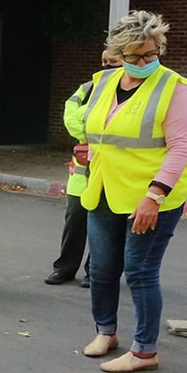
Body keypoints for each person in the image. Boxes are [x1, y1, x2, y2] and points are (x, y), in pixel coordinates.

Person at [80, 10, 187, 372]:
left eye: (151, 54)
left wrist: (155, 196)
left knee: (139, 272)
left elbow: (181, 148)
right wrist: (86, 150)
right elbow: (95, 128)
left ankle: (145, 350)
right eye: (135, 56)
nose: (144, 61)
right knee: (101, 269)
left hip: (152, 197)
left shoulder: (174, 89)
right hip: (103, 189)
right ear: (119, 53)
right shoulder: (103, 83)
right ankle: (106, 332)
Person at [45, 49, 122, 287]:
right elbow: (71, 114)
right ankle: (65, 268)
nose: (106, 66)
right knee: (75, 222)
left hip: (113, 172)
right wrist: (90, 135)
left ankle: (94, 272)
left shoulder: (130, 91)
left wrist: (96, 135)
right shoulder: (89, 87)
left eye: (113, 62)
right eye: (104, 62)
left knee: (106, 226)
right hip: (82, 175)